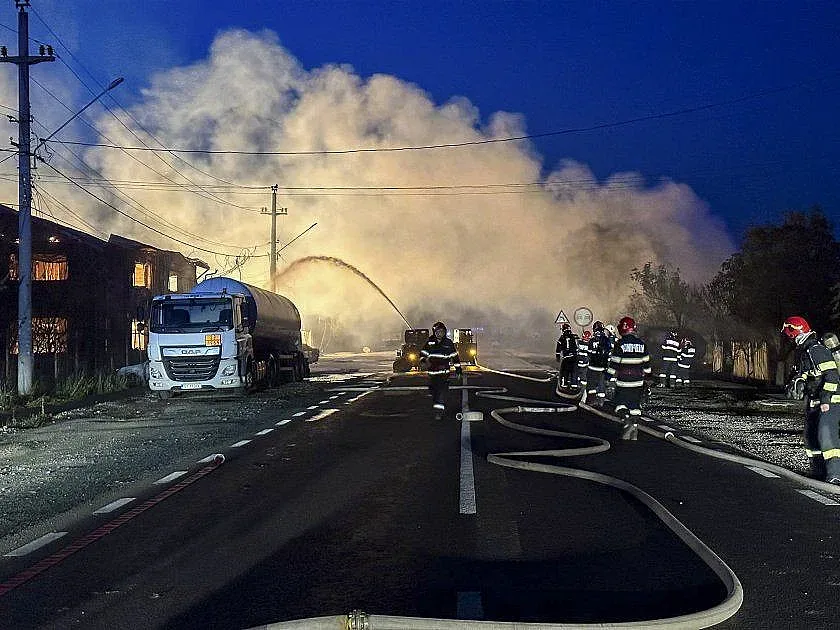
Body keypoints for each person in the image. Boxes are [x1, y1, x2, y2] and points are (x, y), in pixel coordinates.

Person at [782, 316, 840, 483]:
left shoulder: (816, 349)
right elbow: (809, 375)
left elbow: (832, 376)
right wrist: (799, 382)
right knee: (811, 437)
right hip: (814, 401)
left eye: (788, 334)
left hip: (830, 401)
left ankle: (835, 475)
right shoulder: (806, 351)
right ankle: (818, 473)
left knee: (827, 436)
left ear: (793, 332)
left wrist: (826, 400)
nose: (788, 338)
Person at [607, 316, 651, 440]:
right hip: (638, 382)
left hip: (624, 381)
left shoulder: (619, 344)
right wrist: (648, 379)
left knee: (619, 404)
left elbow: (614, 364)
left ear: (623, 328)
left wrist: (607, 377)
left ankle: (627, 421)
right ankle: (634, 429)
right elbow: (646, 365)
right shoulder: (642, 344)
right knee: (635, 406)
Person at [420, 321, 462, 419]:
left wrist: (458, 371)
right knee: (434, 392)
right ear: (434, 332)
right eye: (438, 332)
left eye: (442, 331)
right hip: (433, 373)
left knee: (441, 393)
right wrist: (423, 362)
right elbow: (423, 353)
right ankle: (438, 407)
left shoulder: (448, 343)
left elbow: (455, 357)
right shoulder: (430, 342)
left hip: (444, 374)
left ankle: (439, 412)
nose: (440, 334)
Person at [586, 321, 612, 405]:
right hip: (603, 368)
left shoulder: (592, 340)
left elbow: (589, 354)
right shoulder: (607, 340)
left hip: (592, 367)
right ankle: (601, 403)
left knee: (591, 385)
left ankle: (591, 401)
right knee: (601, 385)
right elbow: (609, 354)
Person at [555, 323, 578, 388]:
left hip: (566, 357)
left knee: (564, 371)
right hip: (574, 357)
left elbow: (558, 349)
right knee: (574, 371)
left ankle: (564, 384)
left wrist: (558, 357)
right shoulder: (574, 336)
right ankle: (574, 385)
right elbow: (577, 346)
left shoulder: (562, 338)